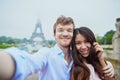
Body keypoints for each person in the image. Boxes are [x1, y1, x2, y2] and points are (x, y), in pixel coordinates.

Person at [0, 16, 114, 80]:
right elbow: (27, 62)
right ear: (54, 35)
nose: (65, 33)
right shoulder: (46, 54)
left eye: (69, 30)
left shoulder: (77, 57)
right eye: (60, 30)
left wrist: (107, 64)